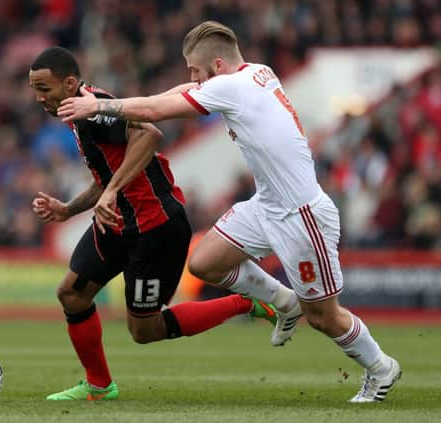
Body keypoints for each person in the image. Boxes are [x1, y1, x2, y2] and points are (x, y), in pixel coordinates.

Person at [57, 21, 402, 403]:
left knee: (323, 316)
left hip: (302, 215)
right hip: (267, 205)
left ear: (218, 65)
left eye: (195, 69)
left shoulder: (231, 87)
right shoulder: (257, 72)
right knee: (206, 263)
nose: (192, 77)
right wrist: (126, 100)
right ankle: (283, 302)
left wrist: (98, 105)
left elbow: (157, 109)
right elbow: (180, 93)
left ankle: (380, 367)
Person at [29, 47, 278, 401]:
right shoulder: (77, 113)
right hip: (118, 222)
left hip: (154, 226)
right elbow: (107, 174)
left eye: (45, 88)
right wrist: (69, 209)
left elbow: (148, 133)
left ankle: (246, 303)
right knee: (71, 292)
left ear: (69, 83)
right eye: (34, 89)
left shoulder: (93, 109)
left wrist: (112, 191)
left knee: (145, 330)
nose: (39, 98)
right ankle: (99, 385)